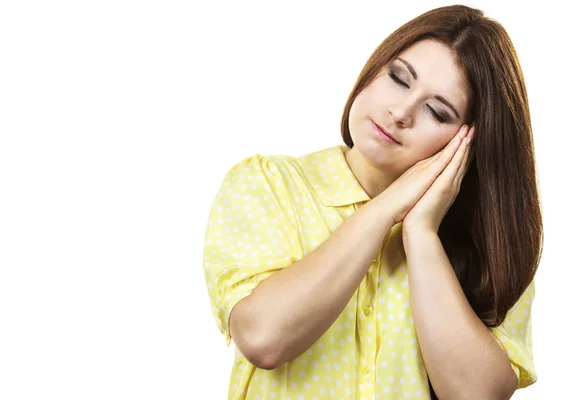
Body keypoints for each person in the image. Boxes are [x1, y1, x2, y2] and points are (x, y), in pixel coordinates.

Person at [202, 4, 543, 399]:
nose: (400, 112)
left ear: (470, 143)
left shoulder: (492, 240)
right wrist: (384, 209)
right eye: (398, 78)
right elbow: (263, 338)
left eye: (436, 111)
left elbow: (477, 394)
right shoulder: (270, 184)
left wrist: (421, 233)